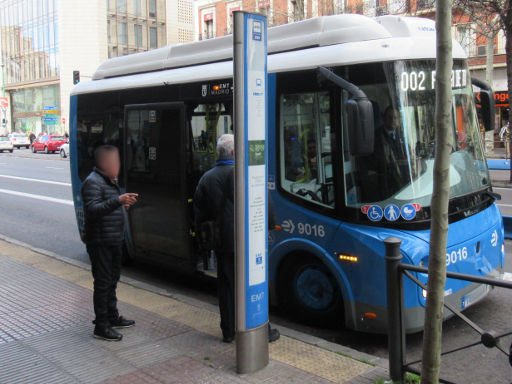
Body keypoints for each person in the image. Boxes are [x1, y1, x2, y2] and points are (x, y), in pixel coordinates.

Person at [194, 134, 280, 343]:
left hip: (223, 242)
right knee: (253, 283)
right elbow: (266, 206)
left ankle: (229, 330)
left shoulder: (207, 178)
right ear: (234, 152)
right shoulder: (248, 173)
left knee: (227, 285)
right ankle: (259, 328)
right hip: (249, 241)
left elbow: (199, 212)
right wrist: (268, 227)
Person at [81, 145, 139, 341]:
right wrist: (118, 201)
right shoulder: (92, 182)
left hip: (113, 239)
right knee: (103, 283)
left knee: (112, 280)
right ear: (103, 163)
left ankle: (112, 316)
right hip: (100, 241)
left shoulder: (107, 181)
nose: (118, 165)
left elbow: (109, 207)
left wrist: (123, 204)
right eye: (114, 161)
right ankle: (101, 325)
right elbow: (93, 209)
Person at [373, 106, 409, 198]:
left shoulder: (403, 135)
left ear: (399, 120)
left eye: (395, 117)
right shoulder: (376, 136)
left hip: (404, 182)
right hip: (385, 183)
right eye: (390, 117)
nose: (393, 120)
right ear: (384, 118)